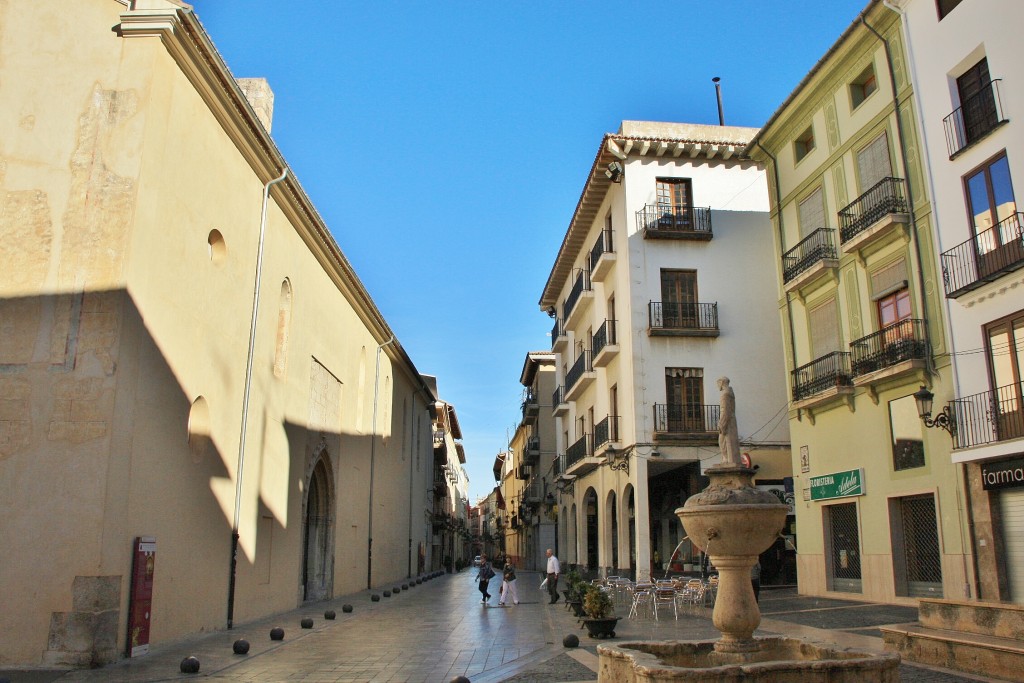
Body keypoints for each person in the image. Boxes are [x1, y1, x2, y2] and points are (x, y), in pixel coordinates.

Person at [717, 376, 741, 466]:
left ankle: (726, 459)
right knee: (731, 442)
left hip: (727, 421)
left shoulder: (725, 394)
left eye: (718, 383)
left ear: (721, 382)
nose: (718, 385)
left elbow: (725, 410)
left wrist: (722, 424)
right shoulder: (730, 393)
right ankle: (729, 459)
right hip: (731, 421)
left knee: (722, 441)